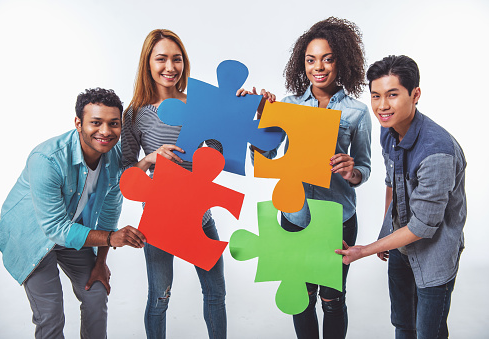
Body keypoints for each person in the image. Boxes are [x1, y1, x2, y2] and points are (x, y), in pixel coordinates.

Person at [240, 17, 371, 339]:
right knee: (302, 298)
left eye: (328, 58)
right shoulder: (288, 105)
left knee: (332, 300)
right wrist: (258, 120)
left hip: (338, 218)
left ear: (342, 61)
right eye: (311, 59)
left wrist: (350, 170)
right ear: (303, 63)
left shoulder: (357, 112)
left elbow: (364, 169)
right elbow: (265, 159)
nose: (319, 67)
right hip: (295, 217)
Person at [0, 87, 147, 338]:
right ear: (78, 122)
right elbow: (55, 229)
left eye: (113, 124)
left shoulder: (113, 156)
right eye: (95, 122)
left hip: (73, 232)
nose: (105, 131)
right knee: (51, 315)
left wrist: (101, 262)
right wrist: (110, 238)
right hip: (33, 237)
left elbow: (109, 214)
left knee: (96, 293)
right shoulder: (46, 159)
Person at [336, 55, 466, 339]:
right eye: (376, 96)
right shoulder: (389, 131)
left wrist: (365, 249)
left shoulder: (437, 153)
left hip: (434, 256)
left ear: (415, 94)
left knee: (427, 333)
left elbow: (422, 227)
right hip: (400, 249)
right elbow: (392, 183)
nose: (382, 106)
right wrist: (387, 232)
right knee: (403, 325)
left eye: (392, 95)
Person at [121, 29, 226, 339]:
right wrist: (151, 157)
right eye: (161, 59)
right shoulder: (134, 115)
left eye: (176, 59)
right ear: (148, 63)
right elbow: (127, 174)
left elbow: (221, 148)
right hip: (158, 219)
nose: (170, 67)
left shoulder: (198, 103)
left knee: (216, 294)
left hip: (200, 214)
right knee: (159, 298)